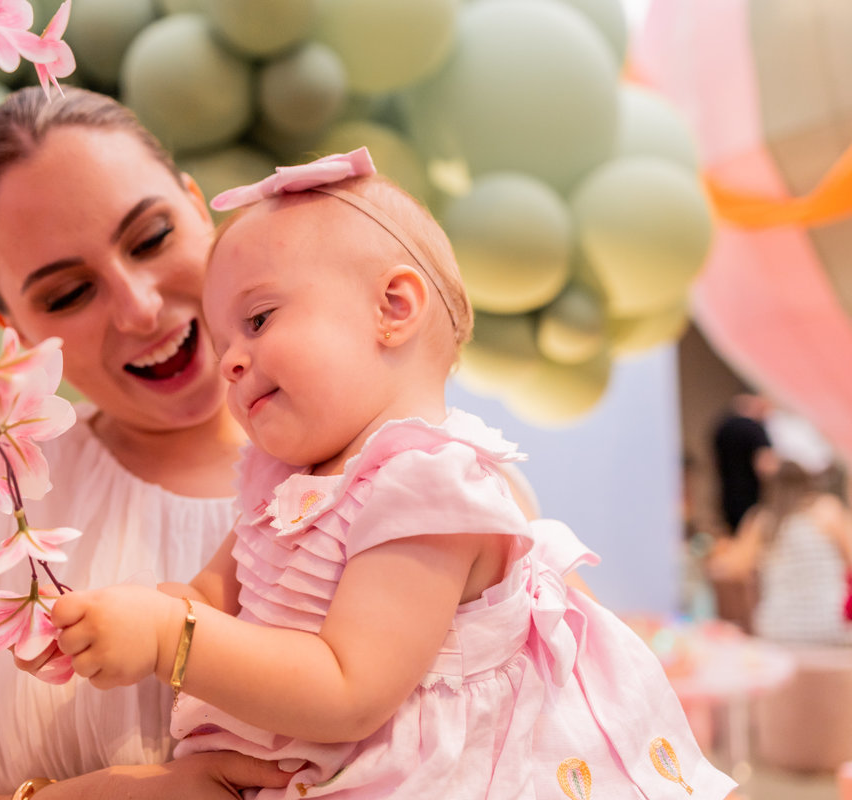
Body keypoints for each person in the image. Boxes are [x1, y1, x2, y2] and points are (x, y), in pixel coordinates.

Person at [46, 150, 736, 799]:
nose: (229, 361)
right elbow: (208, 594)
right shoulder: (282, 485)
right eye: (225, 342)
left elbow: (350, 691)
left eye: (257, 320)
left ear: (393, 309)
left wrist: (169, 637)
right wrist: (111, 619)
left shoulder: (428, 490)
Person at [0, 86, 293, 799]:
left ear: (197, 205)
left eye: (152, 239)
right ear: (19, 331)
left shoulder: (403, 464)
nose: (140, 307)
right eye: (68, 294)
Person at [710, 459, 852, 645]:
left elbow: (735, 569)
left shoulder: (762, 520)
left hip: (778, 626)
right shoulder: (828, 509)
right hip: (830, 623)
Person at [712, 393, 775, 536]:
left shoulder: (722, 428)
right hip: (753, 498)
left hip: (727, 497)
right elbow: (766, 465)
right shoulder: (754, 429)